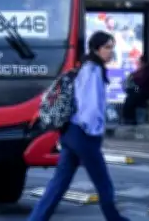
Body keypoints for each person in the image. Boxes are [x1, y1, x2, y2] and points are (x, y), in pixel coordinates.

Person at [28, 31, 130, 221]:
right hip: (83, 134)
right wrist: (93, 131)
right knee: (103, 183)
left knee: (58, 184)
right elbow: (89, 106)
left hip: (71, 132)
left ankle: (36, 219)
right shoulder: (93, 70)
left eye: (112, 47)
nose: (110, 52)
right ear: (96, 48)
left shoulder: (87, 67)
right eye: (107, 47)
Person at [123, 56, 149, 125]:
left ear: (142, 63)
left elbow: (141, 83)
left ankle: (129, 120)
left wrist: (134, 79)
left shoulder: (147, 71)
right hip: (142, 96)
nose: (138, 65)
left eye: (139, 63)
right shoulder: (143, 72)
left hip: (144, 96)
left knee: (131, 101)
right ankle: (129, 119)